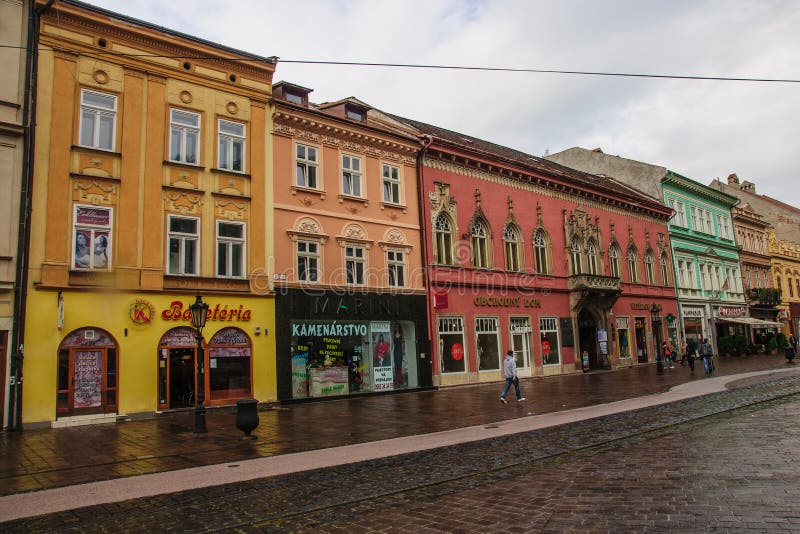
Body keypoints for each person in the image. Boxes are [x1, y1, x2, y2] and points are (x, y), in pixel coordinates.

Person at [392, 323, 405, 388]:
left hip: (400, 351)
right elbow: (392, 343)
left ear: (399, 328)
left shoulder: (401, 335)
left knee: (399, 366)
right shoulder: (394, 335)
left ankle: (399, 382)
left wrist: (403, 351)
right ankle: (398, 381)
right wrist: (390, 351)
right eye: (395, 327)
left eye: (397, 327)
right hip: (395, 351)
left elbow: (403, 343)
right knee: (396, 366)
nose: (396, 328)